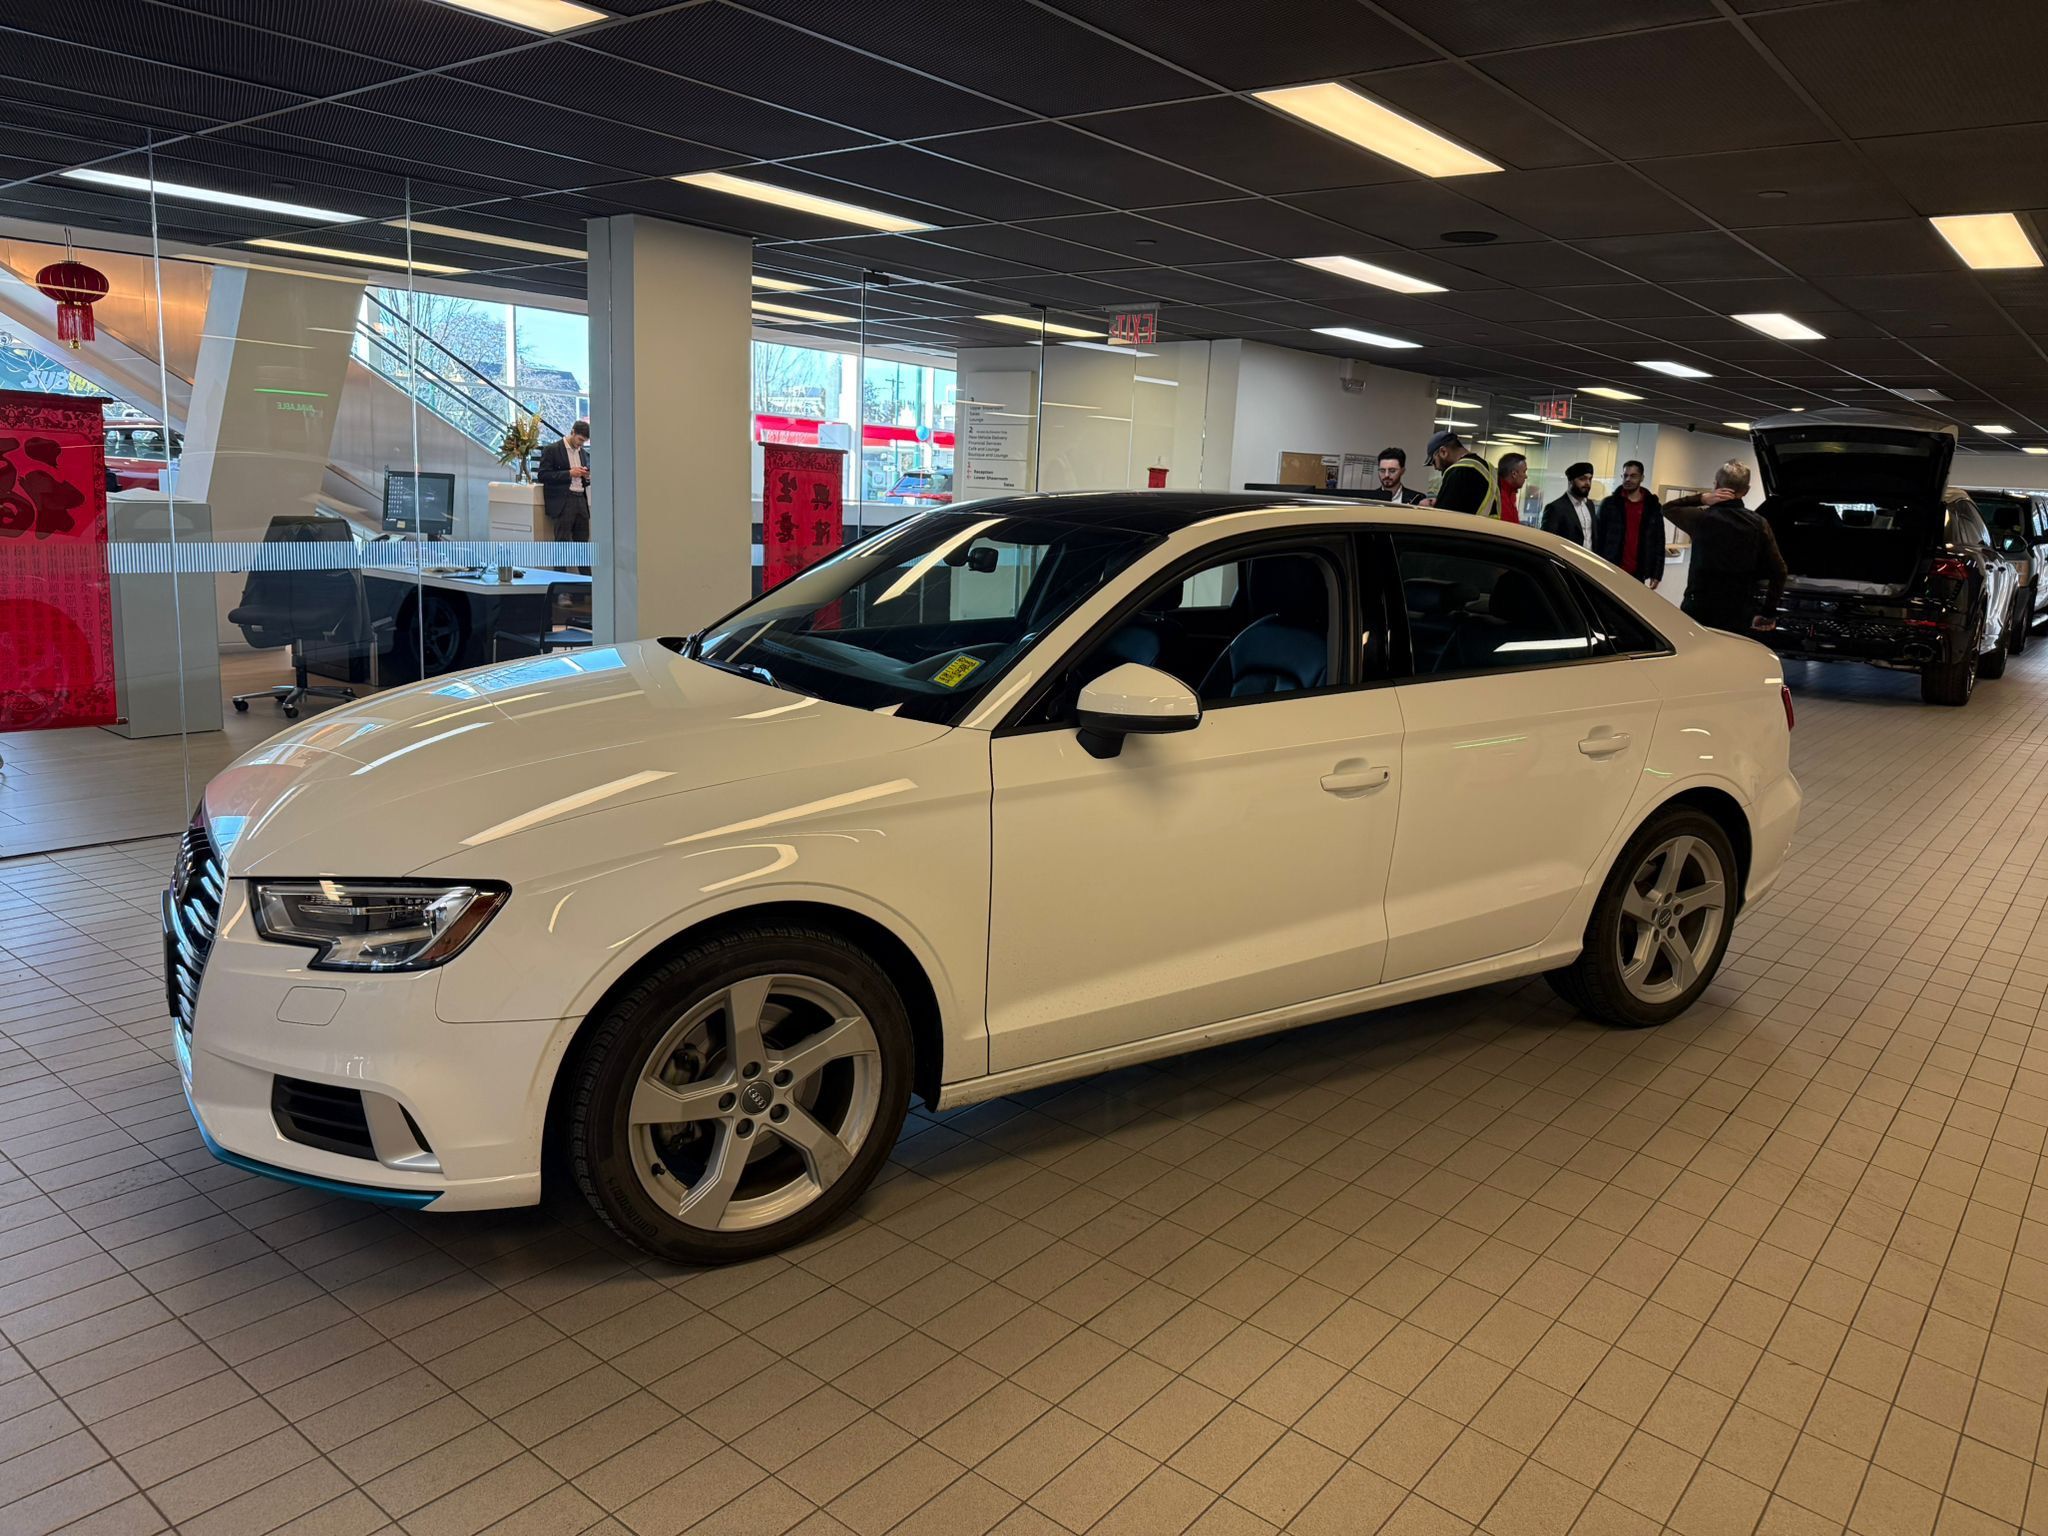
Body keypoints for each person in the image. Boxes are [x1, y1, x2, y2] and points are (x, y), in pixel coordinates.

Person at [1661, 461, 1787, 634]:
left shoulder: (1700, 518)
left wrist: (1702, 498)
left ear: (1716, 485)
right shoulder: (1759, 524)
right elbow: (1779, 570)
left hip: (1698, 605)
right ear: (1747, 490)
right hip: (1738, 610)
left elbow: (1668, 508)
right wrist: (1768, 612)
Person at [1595, 459, 1664, 588]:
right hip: (1611, 568)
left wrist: (1657, 572)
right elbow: (1598, 537)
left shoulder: (1652, 506)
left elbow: (1659, 540)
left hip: (1638, 571)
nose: (1628, 479)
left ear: (1642, 478)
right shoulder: (1609, 504)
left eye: (1633, 476)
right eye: (1625, 475)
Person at [538, 419, 593, 548]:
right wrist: (569, 473)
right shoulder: (552, 450)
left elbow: (584, 480)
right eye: (580, 439)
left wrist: (587, 477)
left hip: (581, 500)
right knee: (562, 544)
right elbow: (543, 475)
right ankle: (560, 569)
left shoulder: (583, 454)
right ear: (572, 432)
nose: (581, 444)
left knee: (583, 544)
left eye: (584, 441)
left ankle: (585, 569)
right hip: (563, 501)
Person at [1424, 430, 1499, 517]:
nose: (1435, 467)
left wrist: (1427, 509)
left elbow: (1443, 516)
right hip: (1487, 528)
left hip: (1469, 529)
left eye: (1434, 461)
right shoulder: (1488, 467)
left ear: (1443, 452)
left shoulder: (1459, 471)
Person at [1541, 462, 1598, 546]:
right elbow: (1548, 543)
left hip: (1587, 558)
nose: (1587, 483)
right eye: (1582, 479)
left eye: (1590, 479)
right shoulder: (1555, 508)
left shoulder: (1590, 505)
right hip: (1567, 558)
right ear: (1570, 481)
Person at [1496, 453, 1527, 524]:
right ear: (1514, 474)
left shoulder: (1511, 494)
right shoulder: (1497, 495)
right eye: (1524, 472)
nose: (1526, 476)